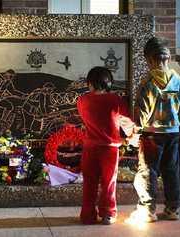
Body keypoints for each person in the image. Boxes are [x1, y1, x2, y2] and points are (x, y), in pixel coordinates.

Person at [128, 37, 180, 223]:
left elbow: (142, 112)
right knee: (171, 170)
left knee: (148, 171)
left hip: (151, 134)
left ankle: (147, 210)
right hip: (173, 133)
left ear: (149, 60)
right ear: (167, 58)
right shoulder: (178, 80)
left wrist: (135, 132)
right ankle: (172, 209)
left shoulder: (147, 82)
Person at [77, 66, 134, 225]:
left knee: (89, 182)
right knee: (108, 182)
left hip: (89, 148)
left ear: (90, 83)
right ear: (109, 83)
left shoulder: (82, 100)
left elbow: (85, 118)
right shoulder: (116, 100)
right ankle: (108, 213)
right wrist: (129, 136)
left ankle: (87, 216)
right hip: (109, 149)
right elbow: (126, 122)